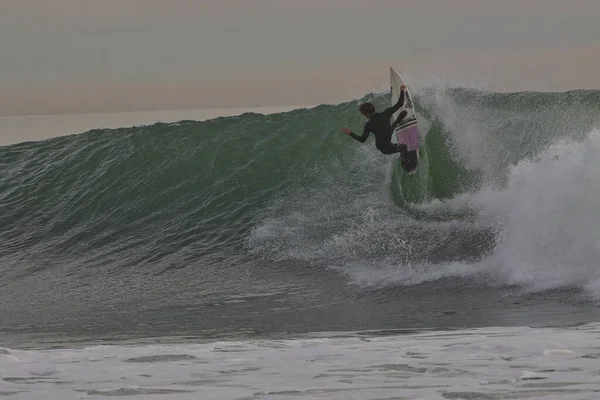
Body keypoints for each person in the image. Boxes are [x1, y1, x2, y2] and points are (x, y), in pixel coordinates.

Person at [341, 84, 416, 172]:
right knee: (404, 147)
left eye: (364, 114)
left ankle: (398, 121)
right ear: (374, 109)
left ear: (367, 114)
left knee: (392, 130)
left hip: (382, 145)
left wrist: (350, 133)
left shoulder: (368, 125)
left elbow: (362, 139)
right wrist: (402, 90)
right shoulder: (386, 113)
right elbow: (400, 103)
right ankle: (407, 167)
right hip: (386, 147)